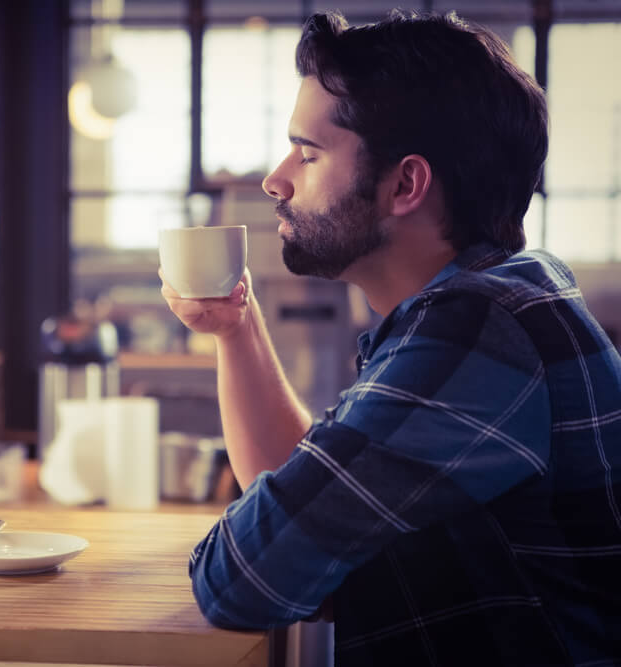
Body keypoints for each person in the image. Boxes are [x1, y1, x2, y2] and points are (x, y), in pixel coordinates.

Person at [161, 10, 621, 666]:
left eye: (308, 152)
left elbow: (242, 578)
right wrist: (236, 327)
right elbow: (311, 496)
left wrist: (271, 532)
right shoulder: (492, 301)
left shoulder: (478, 334)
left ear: (405, 184)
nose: (276, 179)